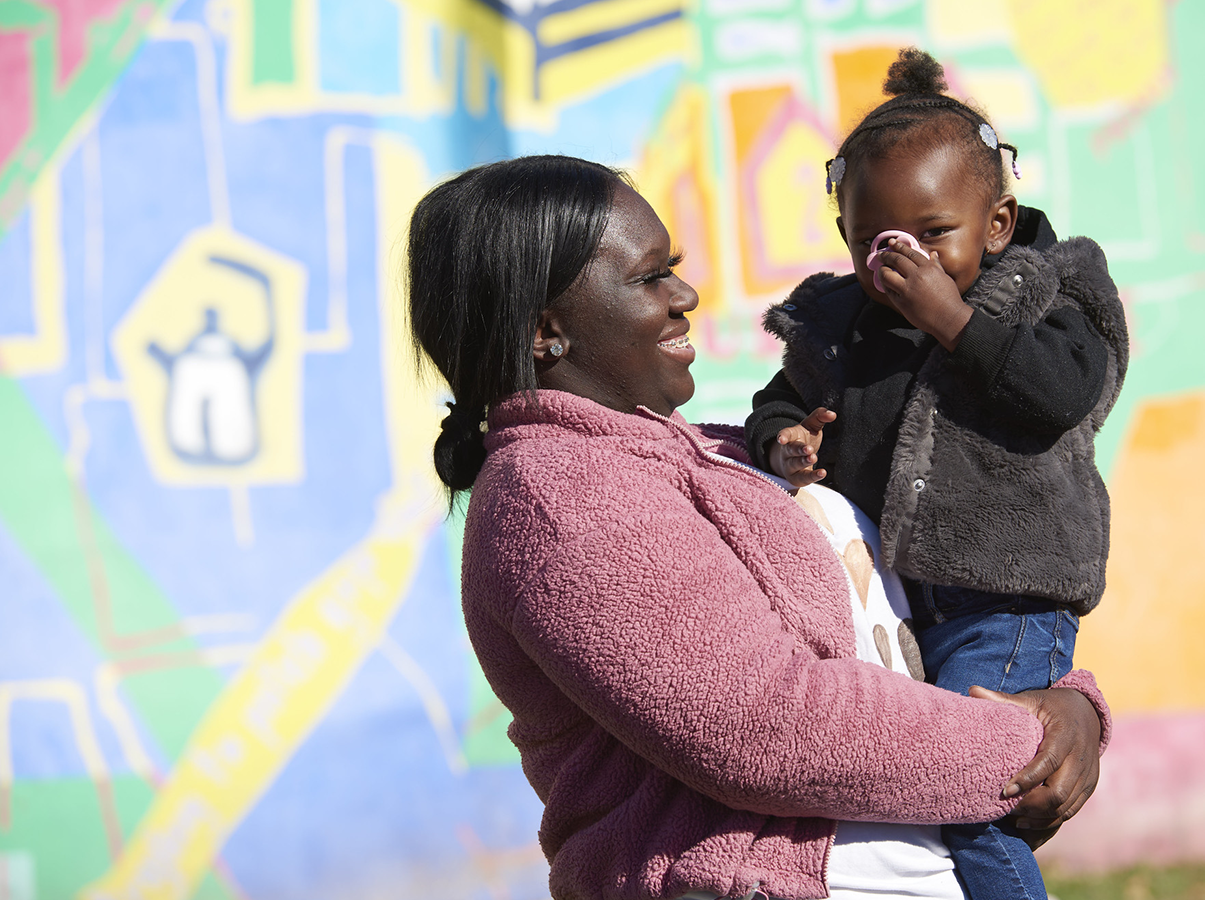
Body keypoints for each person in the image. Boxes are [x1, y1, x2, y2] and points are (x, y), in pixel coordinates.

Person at [407, 154, 1111, 900]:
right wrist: (1032, 744)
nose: (685, 294)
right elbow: (768, 726)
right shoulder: (554, 496)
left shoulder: (717, 451)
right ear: (547, 328)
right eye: (650, 277)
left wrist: (1071, 707)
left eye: (673, 267)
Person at [744, 49, 1129, 900]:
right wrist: (783, 441)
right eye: (872, 241)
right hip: (901, 606)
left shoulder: (1043, 296)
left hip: (1009, 601)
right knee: (919, 794)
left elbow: (1062, 393)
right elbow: (775, 400)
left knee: (973, 796)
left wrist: (951, 320)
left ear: (996, 222)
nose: (902, 262)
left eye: (932, 235)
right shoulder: (846, 324)